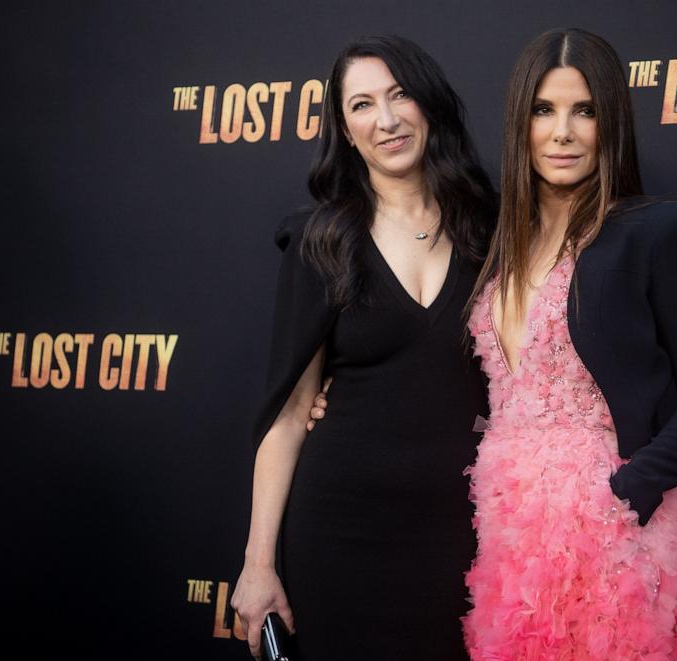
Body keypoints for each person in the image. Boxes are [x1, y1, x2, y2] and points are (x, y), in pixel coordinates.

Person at [457, 28, 677, 659]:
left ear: (610, 122)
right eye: (544, 110)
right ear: (519, 123)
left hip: (616, 523)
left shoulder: (655, 232)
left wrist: (634, 490)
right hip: (513, 523)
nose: (563, 132)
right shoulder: (494, 245)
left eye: (584, 111)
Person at [229, 34, 496, 660]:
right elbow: (291, 413)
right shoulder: (322, 239)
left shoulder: (492, 229)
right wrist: (257, 563)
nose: (386, 120)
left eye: (400, 95)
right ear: (346, 131)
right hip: (341, 531)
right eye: (362, 105)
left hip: (468, 537)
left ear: (428, 104)